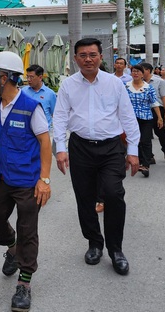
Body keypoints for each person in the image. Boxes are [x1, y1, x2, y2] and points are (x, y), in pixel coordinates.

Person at [53, 38, 140, 276]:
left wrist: (133, 151)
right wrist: (60, 148)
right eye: (83, 55)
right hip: (80, 147)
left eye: (92, 54)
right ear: (75, 59)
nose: (88, 59)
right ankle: (94, 242)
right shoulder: (68, 85)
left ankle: (116, 250)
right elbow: (60, 117)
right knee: (85, 198)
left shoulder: (114, 83)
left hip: (111, 148)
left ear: (101, 57)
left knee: (113, 194)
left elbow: (127, 116)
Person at [0, 51, 51, 311]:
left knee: (27, 229)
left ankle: (24, 283)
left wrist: (44, 179)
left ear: (6, 77)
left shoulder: (31, 107)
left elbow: (45, 142)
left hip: (26, 180)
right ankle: (11, 247)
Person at [125, 64, 162, 177]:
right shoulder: (125, 86)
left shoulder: (148, 87)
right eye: (133, 71)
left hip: (145, 118)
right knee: (133, 141)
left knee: (145, 140)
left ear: (142, 74)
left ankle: (145, 164)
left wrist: (160, 117)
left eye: (138, 71)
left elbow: (154, 103)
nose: (135, 73)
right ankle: (136, 160)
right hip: (130, 119)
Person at [140, 62, 165, 162]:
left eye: (142, 70)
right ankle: (149, 155)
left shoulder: (159, 81)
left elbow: (164, 98)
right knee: (146, 134)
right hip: (144, 110)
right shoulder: (138, 82)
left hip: (158, 109)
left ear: (148, 70)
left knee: (160, 133)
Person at [23, 64, 57, 129]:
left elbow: (55, 114)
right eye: (27, 77)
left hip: (44, 132)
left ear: (40, 77)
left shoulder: (50, 94)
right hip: (27, 131)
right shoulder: (23, 92)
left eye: (31, 77)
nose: (29, 80)